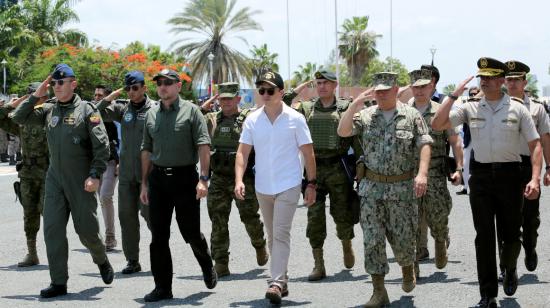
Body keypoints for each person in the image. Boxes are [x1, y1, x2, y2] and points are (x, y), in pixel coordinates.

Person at [432, 57, 541, 308]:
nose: (485, 81)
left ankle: (510, 266)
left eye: (491, 77)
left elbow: (535, 145)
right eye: (482, 77)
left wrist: (535, 177)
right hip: (480, 176)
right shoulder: (469, 107)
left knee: (512, 234)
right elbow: (437, 124)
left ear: (502, 80)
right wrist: (452, 95)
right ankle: (488, 294)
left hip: (510, 176)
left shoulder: (518, 109)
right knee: (484, 236)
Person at [11, 63, 113, 298]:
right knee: (52, 230)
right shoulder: (49, 109)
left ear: (73, 84)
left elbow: (102, 146)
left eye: (61, 82)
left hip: (81, 179)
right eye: (53, 83)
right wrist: (37, 94)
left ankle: (101, 259)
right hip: (54, 178)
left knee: (86, 231)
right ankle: (58, 282)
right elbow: (19, 116)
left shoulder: (88, 110)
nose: (56, 86)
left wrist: (95, 174)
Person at [337, 72, 433, 307]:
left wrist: (422, 174)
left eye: (385, 90)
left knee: (403, 239)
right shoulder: (367, 116)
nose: (380, 94)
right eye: (377, 90)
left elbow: (425, 144)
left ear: (396, 89)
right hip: (371, 189)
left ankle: (407, 266)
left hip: (402, 189)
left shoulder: (411, 115)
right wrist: (354, 106)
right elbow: (343, 131)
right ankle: (378, 291)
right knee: (372, 240)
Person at [235, 70, 316, 304]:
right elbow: (242, 152)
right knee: (272, 236)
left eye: (270, 90)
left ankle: (277, 281)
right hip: (263, 186)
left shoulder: (295, 119)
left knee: (281, 233)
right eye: (261, 90)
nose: (265, 94)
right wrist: (239, 180)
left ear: (281, 92)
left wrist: (310, 183)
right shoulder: (252, 119)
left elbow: (308, 153)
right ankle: (283, 278)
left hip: (289, 184)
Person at [140, 68, 217, 302]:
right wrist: (144, 183)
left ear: (178, 86)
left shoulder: (192, 112)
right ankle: (163, 287)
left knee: (191, 232)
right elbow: (146, 149)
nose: (163, 86)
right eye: (159, 83)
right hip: (158, 180)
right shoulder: (151, 115)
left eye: (168, 82)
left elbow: (203, 145)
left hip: (185, 179)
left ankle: (206, 264)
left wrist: (203, 179)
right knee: (159, 237)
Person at [294, 69, 357, 281]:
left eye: (325, 83)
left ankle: (346, 244)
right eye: (318, 83)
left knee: (343, 215)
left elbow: (358, 140)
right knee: (314, 218)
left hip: (338, 168)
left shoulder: (346, 108)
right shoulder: (306, 109)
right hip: (314, 170)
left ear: (334, 85)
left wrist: (361, 169)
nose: (321, 86)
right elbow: (282, 103)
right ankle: (318, 265)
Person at [204, 82, 268, 278]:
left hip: (244, 178)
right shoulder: (212, 120)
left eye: (229, 98)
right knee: (218, 220)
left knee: (250, 218)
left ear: (238, 99)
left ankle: (259, 244)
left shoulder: (250, 119)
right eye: (222, 98)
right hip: (219, 178)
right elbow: (191, 119)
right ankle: (221, 262)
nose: (225, 102)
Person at [96, 71, 154, 274]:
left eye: (135, 88)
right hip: (127, 174)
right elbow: (97, 112)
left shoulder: (155, 109)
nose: (131, 92)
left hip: (148, 175)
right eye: (128, 88)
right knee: (127, 217)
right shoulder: (123, 109)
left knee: (152, 218)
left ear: (144, 88)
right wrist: (111, 97)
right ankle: (132, 260)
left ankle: (160, 255)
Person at [407, 69, 463, 277]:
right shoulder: (403, 111)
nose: (420, 91)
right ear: (411, 88)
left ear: (432, 86)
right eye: (416, 87)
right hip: (409, 174)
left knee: (438, 215)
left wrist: (459, 169)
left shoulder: (442, 111)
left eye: (424, 86)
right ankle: (412, 265)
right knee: (410, 219)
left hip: (436, 173)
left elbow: (455, 141)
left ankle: (440, 240)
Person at [498, 60, 550, 276]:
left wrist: (549, 168)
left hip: (529, 167)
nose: (511, 84)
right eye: (508, 79)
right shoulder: (497, 105)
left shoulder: (537, 108)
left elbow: (545, 139)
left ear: (524, 81)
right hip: (503, 168)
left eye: (515, 80)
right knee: (504, 218)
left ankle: (530, 247)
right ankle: (507, 267)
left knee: (530, 218)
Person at [0, 83, 48, 267]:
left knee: (48, 213)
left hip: (47, 172)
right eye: (30, 95)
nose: (32, 98)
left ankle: (56, 252)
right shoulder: (22, 119)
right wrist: (13, 104)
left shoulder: (50, 115)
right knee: (29, 214)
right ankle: (32, 253)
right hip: (27, 173)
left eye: (36, 95)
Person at [93, 85, 119, 251]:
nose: (96, 97)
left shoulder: (116, 114)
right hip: (97, 163)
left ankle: (110, 237)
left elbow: (123, 137)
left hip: (112, 161)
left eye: (100, 95)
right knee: (101, 200)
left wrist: (120, 160)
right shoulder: (93, 114)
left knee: (105, 196)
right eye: (95, 94)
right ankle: (106, 236)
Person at [456, 86, 481, 195]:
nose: (473, 96)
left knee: (478, 165)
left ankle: (477, 187)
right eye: (471, 94)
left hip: (481, 142)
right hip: (468, 139)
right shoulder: (466, 107)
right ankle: (465, 187)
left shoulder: (484, 106)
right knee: (465, 165)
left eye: (475, 93)